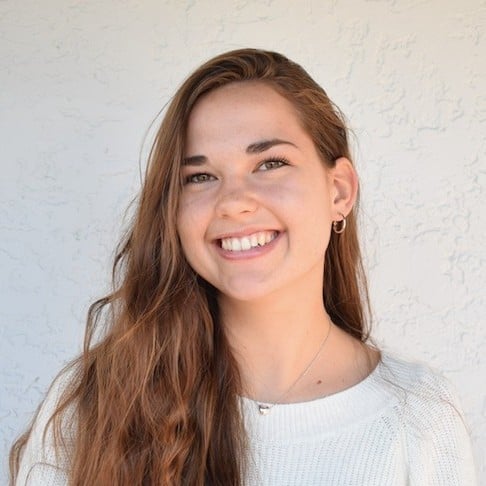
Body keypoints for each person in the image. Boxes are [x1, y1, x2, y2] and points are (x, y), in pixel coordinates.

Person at [10, 48, 477, 485]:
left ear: (339, 191)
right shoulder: (94, 402)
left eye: (270, 163)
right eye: (200, 176)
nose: (233, 202)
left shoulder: (419, 416)